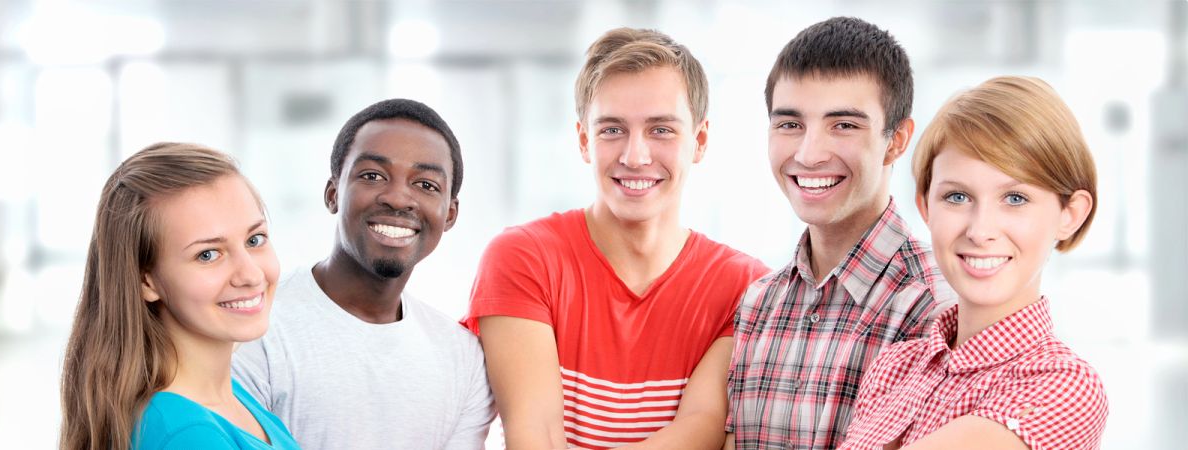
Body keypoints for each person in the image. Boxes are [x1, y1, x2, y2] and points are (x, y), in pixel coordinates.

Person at [461, 27, 769, 450]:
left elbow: (701, 428)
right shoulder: (523, 258)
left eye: (661, 130)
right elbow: (537, 434)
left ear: (699, 141)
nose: (635, 156)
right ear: (585, 140)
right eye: (612, 130)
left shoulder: (748, 287)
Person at [839, 76, 1107, 449]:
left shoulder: (1064, 385)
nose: (980, 231)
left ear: (1070, 214)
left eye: (1015, 198)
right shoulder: (894, 366)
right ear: (925, 207)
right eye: (958, 196)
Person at [726, 17, 954, 449]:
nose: (809, 154)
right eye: (790, 124)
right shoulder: (757, 304)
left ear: (897, 139)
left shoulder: (936, 312)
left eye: (844, 125)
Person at [232, 98, 494, 449]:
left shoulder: (465, 359)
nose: (399, 198)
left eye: (426, 185)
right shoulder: (254, 331)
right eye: (373, 176)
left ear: (449, 214)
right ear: (332, 193)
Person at [59, 142, 298, 449]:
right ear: (147, 281)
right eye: (209, 254)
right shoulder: (189, 434)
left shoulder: (231, 397)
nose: (251, 274)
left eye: (255, 239)